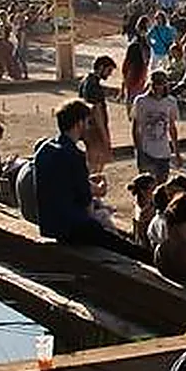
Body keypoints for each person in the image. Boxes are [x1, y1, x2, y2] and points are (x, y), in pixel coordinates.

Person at [34, 99, 150, 260]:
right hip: (73, 227)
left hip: (50, 225)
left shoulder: (44, 149)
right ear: (79, 123)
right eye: (88, 122)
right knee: (129, 249)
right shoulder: (74, 155)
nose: (89, 127)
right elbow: (86, 203)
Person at [131, 71, 183, 182]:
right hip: (146, 151)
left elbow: (172, 128)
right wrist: (139, 150)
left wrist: (176, 152)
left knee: (162, 186)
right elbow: (136, 128)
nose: (158, 87)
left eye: (161, 84)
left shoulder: (170, 102)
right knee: (147, 186)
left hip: (164, 152)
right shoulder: (141, 101)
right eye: (156, 84)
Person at [78, 55, 118, 174]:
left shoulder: (86, 81)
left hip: (88, 128)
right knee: (96, 166)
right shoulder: (93, 85)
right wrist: (105, 136)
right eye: (108, 70)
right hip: (95, 130)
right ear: (101, 67)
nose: (109, 74)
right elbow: (97, 112)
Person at [128, 172, 158, 254]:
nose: (155, 192)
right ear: (143, 191)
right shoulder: (147, 208)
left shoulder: (142, 202)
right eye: (152, 189)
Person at [122, 21, 151, 108]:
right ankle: (131, 109)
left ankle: (132, 109)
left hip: (139, 69)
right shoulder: (137, 44)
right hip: (135, 68)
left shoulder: (144, 44)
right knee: (133, 91)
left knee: (134, 91)